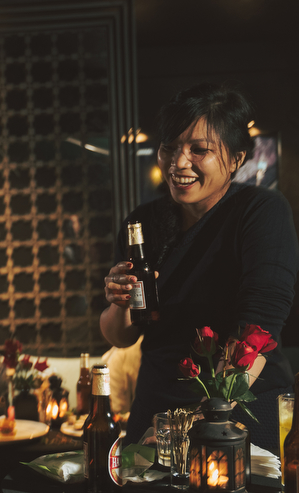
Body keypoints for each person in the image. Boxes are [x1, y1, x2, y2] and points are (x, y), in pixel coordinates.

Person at [100, 83, 299, 451]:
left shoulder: (261, 212)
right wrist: (120, 302)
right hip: (156, 410)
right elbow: (121, 337)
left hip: (239, 413)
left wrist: (199, 420)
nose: (178, 163)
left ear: (236, 159)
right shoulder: (143, 222)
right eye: (169, 147)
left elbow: (257, 331)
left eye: (199, 150)